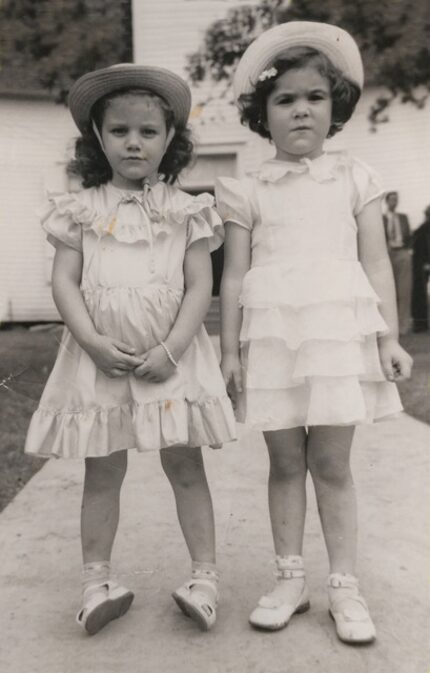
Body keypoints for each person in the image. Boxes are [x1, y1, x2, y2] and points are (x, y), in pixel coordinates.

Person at [216, 22, 412, 645]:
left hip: (335, 337)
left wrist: (389, 337)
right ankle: (290, 578)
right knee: (282, 461)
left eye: (315, 97)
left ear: (335, 109)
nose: (301, 109)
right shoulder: (245, 189)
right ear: (261, 114)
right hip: (273, 340)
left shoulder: (355, 179)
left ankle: (344, 587)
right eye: (285, 99)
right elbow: (234, 275)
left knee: (331, 462)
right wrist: (228, 350)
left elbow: (376, 261)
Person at [24, 64, 236, 635]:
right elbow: (64, 281)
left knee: (185, 463)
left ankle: (204, 578)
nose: (134, 142)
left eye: (147, 131)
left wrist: (173, 348)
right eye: (119, 131)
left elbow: (200, 285)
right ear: (98, 137)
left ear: (170, 139)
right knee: (102, 469)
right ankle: (97, 583)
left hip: (171, 356)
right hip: (102, 357)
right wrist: (91, 341)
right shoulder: (81, 209)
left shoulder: (186, 210)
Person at [382, 191, 412, 335]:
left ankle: (403, 326)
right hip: (387, 255)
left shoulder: (403, 217)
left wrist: (409, 250)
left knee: (404, 290)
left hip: (402, 252)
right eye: (392, 200)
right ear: (387, 202)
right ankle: (388, 327)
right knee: (388, 291)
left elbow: (410, 236)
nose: (395, 202)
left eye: (396, 200)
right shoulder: (381, 218)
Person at [412, 205, 430, 331]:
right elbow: (418, 249)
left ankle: (420, 323)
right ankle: (420, 323)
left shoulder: (421, 230)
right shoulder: (421, 230)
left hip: (423, 264)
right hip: (423, 264)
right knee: (419, 293)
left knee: (420, 293)